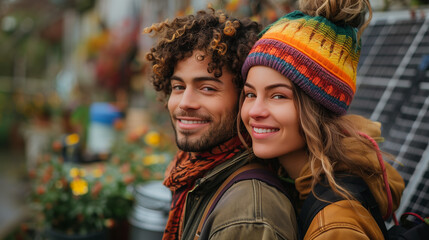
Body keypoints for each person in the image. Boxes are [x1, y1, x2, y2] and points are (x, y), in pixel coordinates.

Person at [239, 0, 405, 239]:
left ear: (319, 108)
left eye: (278, 96)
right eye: (250, 94)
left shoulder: (336, 225)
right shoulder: (296, 183)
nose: (255, 110)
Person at [144, 8, 297, 240]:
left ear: (243, 97)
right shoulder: (194, 172)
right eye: (178, 87)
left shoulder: (248, 217)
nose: (185, 103)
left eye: (207, 88)